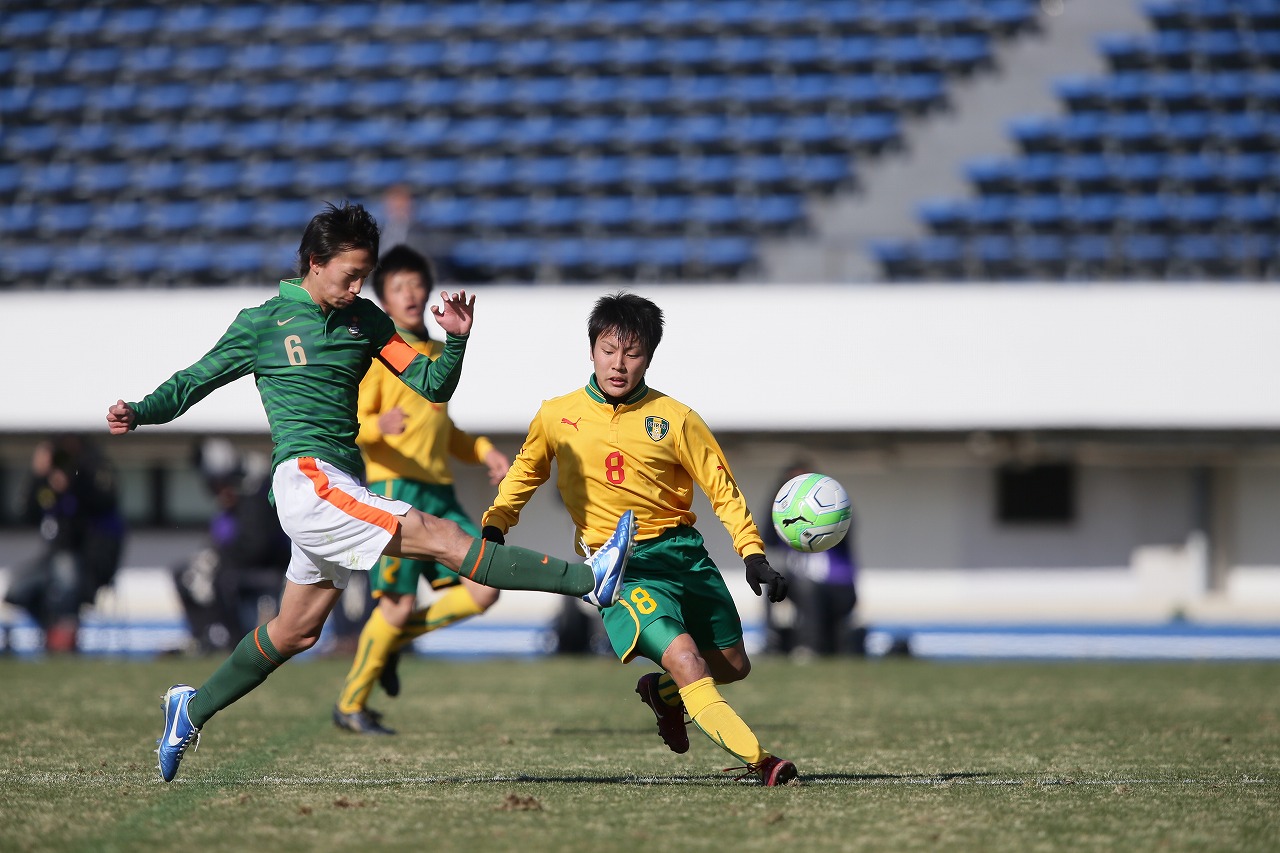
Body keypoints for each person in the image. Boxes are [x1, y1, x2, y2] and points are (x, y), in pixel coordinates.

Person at [105, 202, 635, 783]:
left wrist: (455, 342)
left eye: (364, 275)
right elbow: (194, 380)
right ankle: (592, 580)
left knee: (297, 630)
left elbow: (431, 385)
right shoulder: (262, 323)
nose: (359, 286)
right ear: (314, 262)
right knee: (443, 537)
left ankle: (191, 707)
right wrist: (141, 411)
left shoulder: (367, 319)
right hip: (307, 479)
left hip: (340, 485)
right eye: (350, 275)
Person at [481, 292, 799, 786]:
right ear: (591, 351)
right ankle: (763, 762)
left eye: (632, 354)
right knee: (689, 660)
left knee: (733, 665)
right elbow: (524, 473)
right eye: (609, 350)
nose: (619, 364)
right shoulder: (555, 415)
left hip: (685, 556)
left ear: (649, 357)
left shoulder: (677, 418)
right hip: (619, 568)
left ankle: (665, 694)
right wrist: (496, 522)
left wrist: (753, 554)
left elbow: (723, 488)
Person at [333, 244, 511, 735]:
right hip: (393, 490)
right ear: (384, 300)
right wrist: (375, 426)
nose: (411, 294)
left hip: (440, 492)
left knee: (484, 590)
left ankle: (385, 646)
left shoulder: (435, 354)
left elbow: (445, 431)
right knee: (396, 604)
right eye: (399, 287)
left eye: (417, 285)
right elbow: (346, 423)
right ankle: (350, 704)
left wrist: (484, 452)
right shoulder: (376, 355)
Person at [5, 436, 126, 653]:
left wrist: (73, 484)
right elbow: (26, 514)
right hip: (52, 559)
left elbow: (103, 506)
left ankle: (64, 639)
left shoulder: (89, 478)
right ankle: (51, 627)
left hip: (87, 562)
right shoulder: (46, 485)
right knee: (18, 588)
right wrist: (38, 475)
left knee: (65, 572)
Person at [170, 439, 290, 654]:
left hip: (264, 564)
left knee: (215, 578)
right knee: (187, 575)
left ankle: (227, 638)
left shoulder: (256, 494)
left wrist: (221, 557)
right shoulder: (236, 500)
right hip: (241, 559)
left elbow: (257, 544)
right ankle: (206, 634)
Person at [761, 462, 862, 659]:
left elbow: (847, 524)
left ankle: (810, 647)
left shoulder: (830, 517)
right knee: (772, 580)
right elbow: (767, 538)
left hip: (838, 589)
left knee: (809, 586)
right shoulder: (789, 525)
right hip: (802, 587)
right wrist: (779, 501)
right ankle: (772, 641)